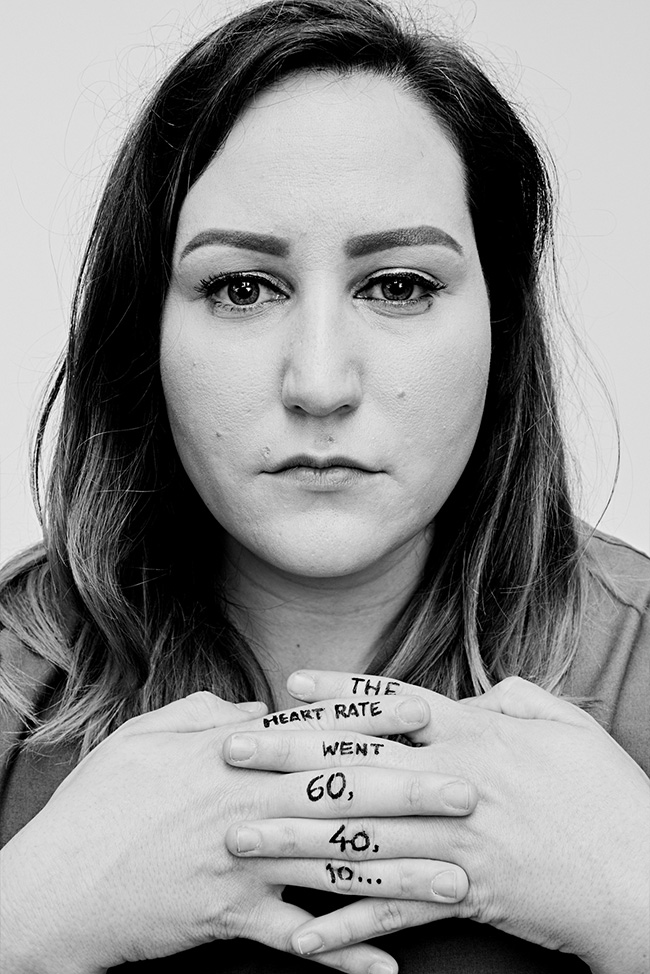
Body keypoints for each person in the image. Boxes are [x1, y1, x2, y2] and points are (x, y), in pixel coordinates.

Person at [0, 1, 648, 972]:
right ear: (144, 330)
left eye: (398, 286)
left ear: (502, 325)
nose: (317, 383)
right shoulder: (10, 675)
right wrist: (25, 917)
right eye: (241, 288)